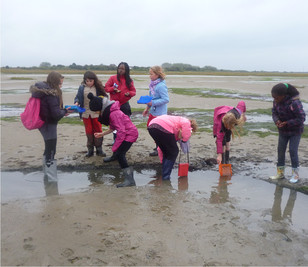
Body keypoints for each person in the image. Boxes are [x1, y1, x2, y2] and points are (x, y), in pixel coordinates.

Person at [87, 92, 138, 187]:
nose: (96, 113)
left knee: (120, 154)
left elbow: (121, 131)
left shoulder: (114, 113)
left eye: (96, 111)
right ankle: (128, 177)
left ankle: (130, 180)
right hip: (126, 133)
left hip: (130, 134)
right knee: (119, 153)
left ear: (100, 108)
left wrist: (115, 146)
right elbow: (113, 127)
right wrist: (102, 134)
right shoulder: (111, 111)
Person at [30, 71, 71, 181]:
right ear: (54, 82)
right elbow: (56, 114)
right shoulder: (51, 94)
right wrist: (64, 111)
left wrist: (63, 111)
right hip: (49, 124)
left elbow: (53, 111)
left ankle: (46, 175)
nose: (61, 86)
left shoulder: (43, 91)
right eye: (60, 84)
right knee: (51, 150)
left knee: (48, 148)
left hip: (43, 123)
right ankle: (51, 181)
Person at [270, 83, 306, 183]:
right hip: (283, 131)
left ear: (283, 95)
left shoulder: (294, 103)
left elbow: (301, 118)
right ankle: (280, 173)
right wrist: (277, 121)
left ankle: (295, 175)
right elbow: (274, 112)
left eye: (276, 98)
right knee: (280, 150)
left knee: (293, 151)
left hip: (295, 131)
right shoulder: (276, 102)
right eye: (273, 98)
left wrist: (287, 123)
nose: (275, 100)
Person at [148, 115, 198, 180]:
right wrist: (184, 141)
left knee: (167, 151)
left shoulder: (176, 124)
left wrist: (163, 162)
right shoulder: (186, 121)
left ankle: (164, 174)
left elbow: (160, 149)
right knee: (174, 151)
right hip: (163, 127)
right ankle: (166, 178)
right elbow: (186, 134)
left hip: (151, 127)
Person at [104, 62, 136, 162]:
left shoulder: (129, 80)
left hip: (124, 106)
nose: (120, 70)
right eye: (119, 68)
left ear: (126, 70)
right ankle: (115, 149)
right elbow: (106, 88)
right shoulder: (113, 78)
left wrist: (128, 93)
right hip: (114, 107)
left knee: (125, 128)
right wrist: (114, 89)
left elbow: (133, 91)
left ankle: (123, 150)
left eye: (123, 69)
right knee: (115, 128)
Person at [74, 71, 108, 157]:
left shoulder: (98, 87)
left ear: (94, 80)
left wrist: (101, 108)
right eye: (87, 81)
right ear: (84, 80)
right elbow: (77, 97)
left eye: (90, 81)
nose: (89, 82)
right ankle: (90, 150)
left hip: (96, 113)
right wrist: (76, 102)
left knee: (98, 130)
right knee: (88, 131)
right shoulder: (81, 87)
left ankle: (99, 149)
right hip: (85, 113)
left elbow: (105, 97)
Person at [143, 66, 169, 156]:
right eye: (149, 74)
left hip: (160, 114)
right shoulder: (152, 84)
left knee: (157, 131)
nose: (149, 76)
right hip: (153, 111)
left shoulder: (161, 86)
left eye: (151, 74)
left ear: (157, 74)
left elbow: (166, 99)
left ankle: (159, 147)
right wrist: (147, 108)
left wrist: (152, 103)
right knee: (150, 128)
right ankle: (159, 146)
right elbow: (151, 98)